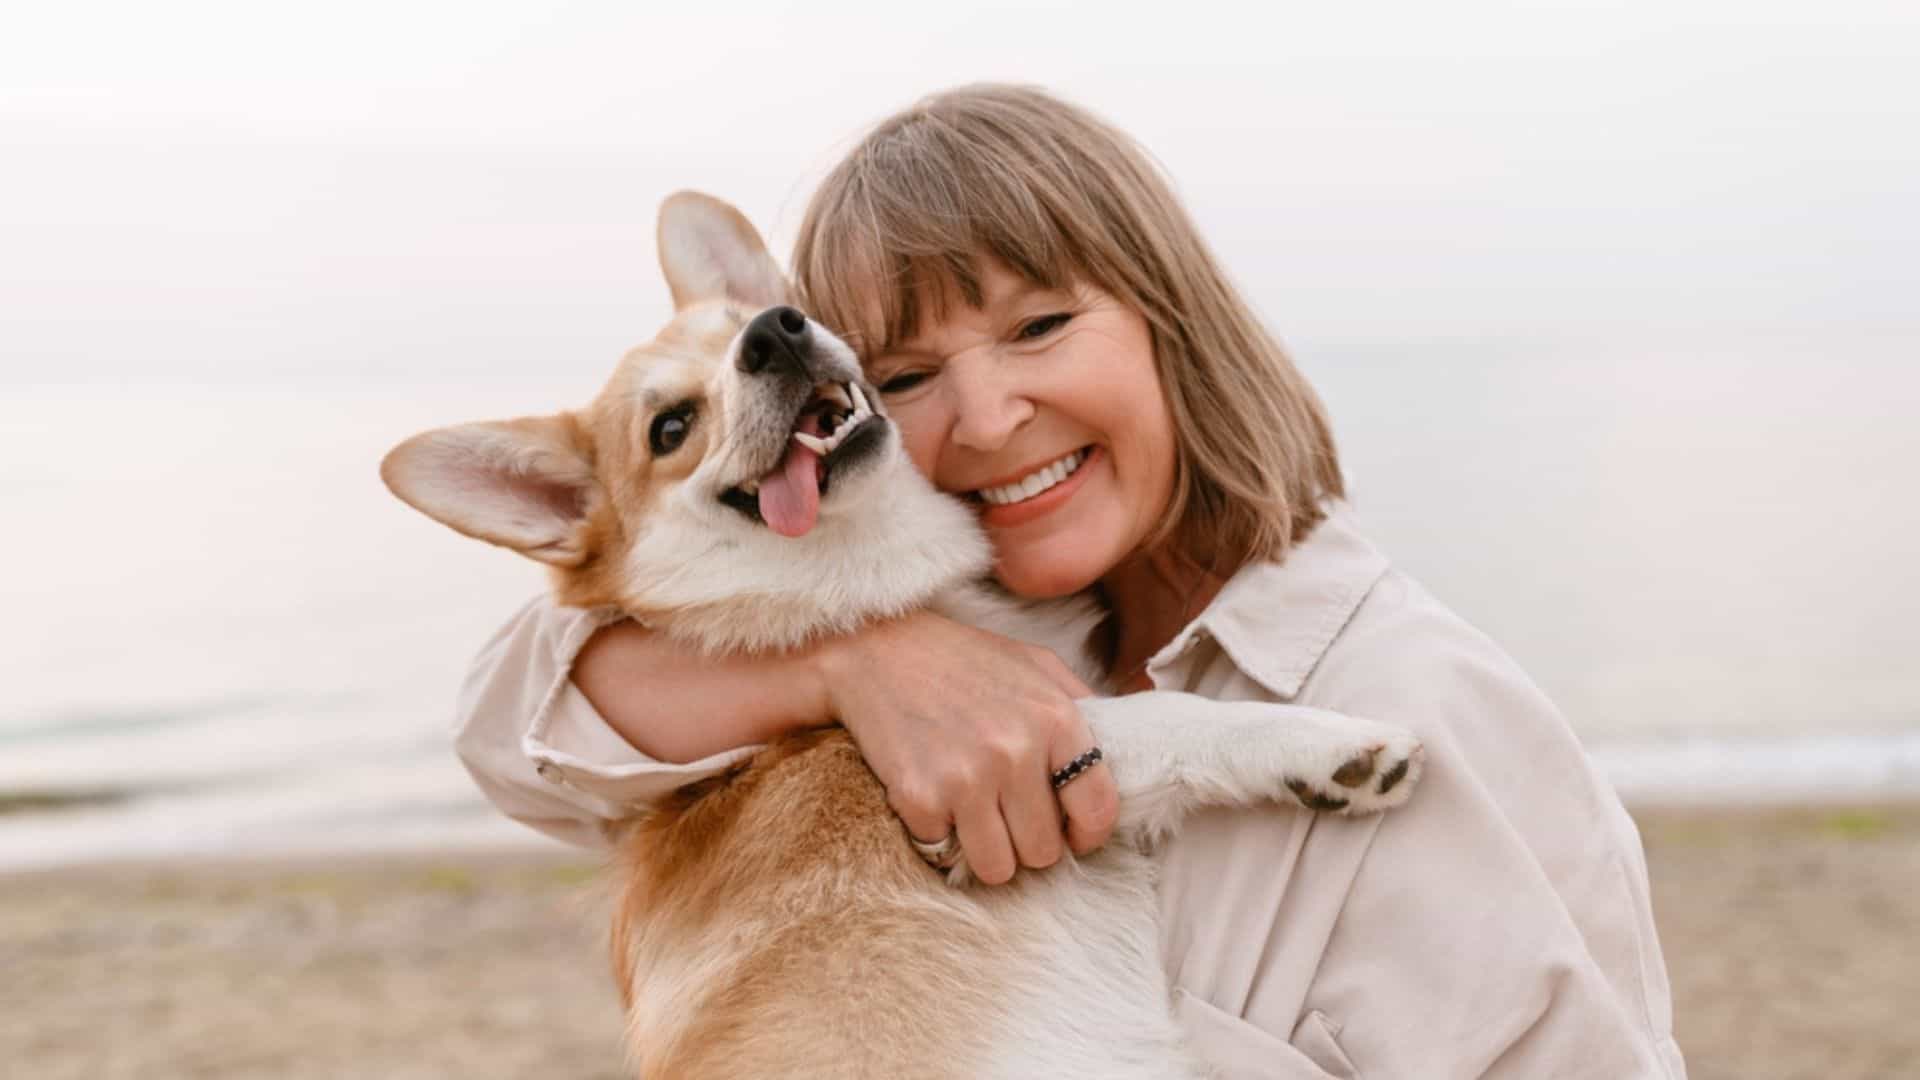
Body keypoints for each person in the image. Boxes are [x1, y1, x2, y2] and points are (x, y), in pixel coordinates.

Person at [454, 84, 1685, 1079]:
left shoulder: (1429, 709)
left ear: (1172, 322)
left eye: (1040, 329)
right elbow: (507, 721)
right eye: (909, 373)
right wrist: (846, 663)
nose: (987, 418)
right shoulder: (870, 649)